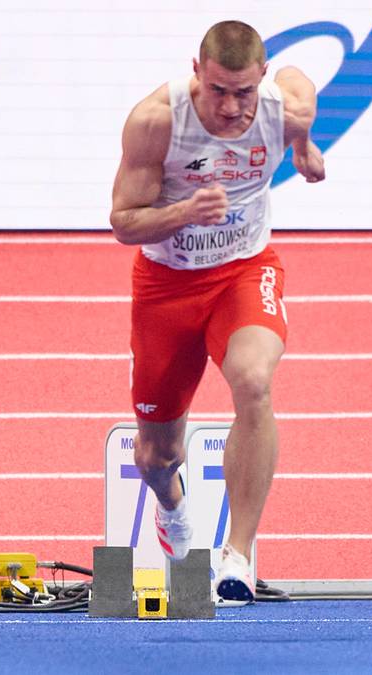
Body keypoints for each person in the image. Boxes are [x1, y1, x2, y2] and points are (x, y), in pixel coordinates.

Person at [109, 20, 324, 601]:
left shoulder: (284, 108)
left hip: (243, 270)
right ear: (197, 72)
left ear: (261, 80)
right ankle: (172, 506)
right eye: (220, 90)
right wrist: (182, 213)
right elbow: (123, 222)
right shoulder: (157, 121)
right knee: (158, 455)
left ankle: (239, 554)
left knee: (254, 382)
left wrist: (303, 146)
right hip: (166, 284)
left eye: (245, 93)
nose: (232, 107)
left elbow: (301, 85)